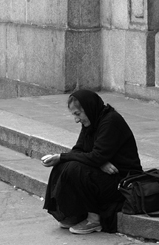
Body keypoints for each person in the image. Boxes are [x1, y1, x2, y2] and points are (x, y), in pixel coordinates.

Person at [40, 89, 143, 234]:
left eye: (78, 114)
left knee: (75, 168)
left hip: (123, 181)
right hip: (105, 175)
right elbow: (79, 151)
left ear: (88, 108)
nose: (76, 119)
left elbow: (95, 156)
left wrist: (95, 160)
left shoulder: (111, 121)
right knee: (62, 166)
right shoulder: (91, 121)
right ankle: (74, 214)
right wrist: (99, 162)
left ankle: (94, 220)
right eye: (74, 115)